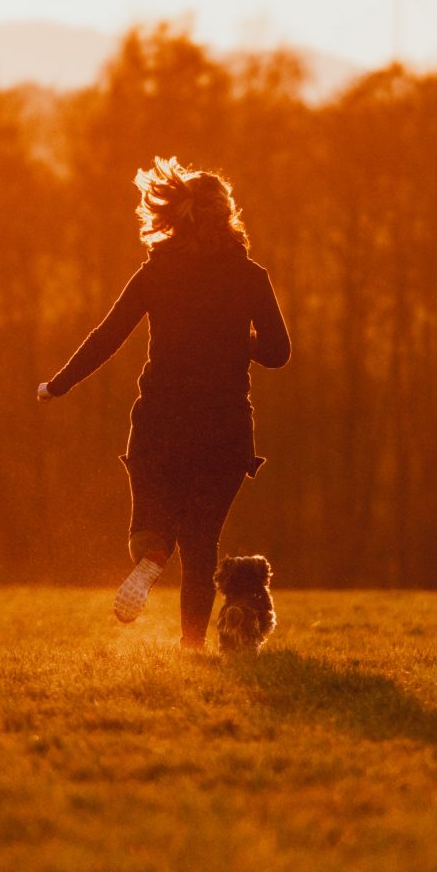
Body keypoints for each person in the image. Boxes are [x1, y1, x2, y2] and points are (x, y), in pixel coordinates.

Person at [37, 158, 290, 649]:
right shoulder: (249, 277)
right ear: (228, 216)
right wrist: (239, 342)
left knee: (155, 518)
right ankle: (192, 645)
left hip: (160, 422)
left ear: (176, 215)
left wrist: (60, 384)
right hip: (226, 429)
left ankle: (151, 551)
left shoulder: (158, 272)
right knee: (202, 545)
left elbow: (108, 334)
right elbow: (279, 353)